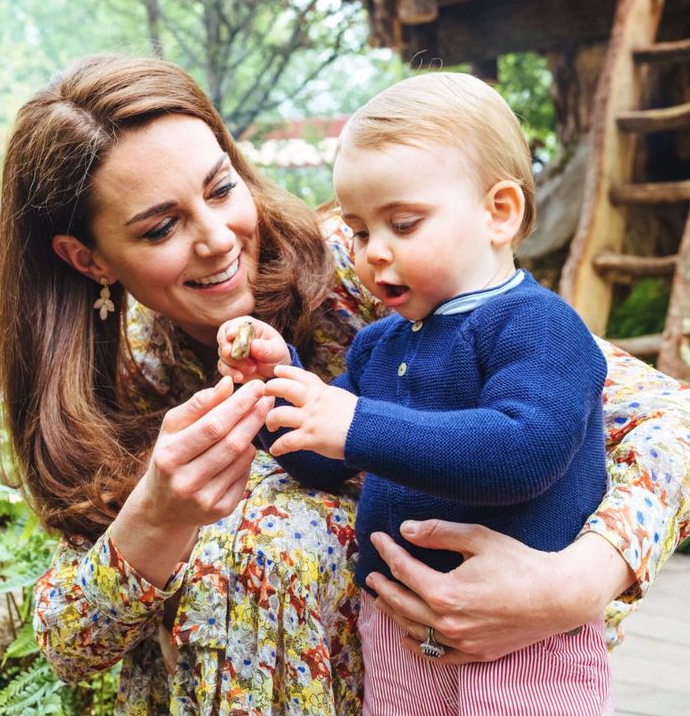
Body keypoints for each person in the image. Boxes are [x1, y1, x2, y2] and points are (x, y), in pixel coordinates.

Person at [0, 54, 690, 716]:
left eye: (221, 189)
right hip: (367, 683)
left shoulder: (380, 269)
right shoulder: (113, 387)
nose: (217, 238)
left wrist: (577, 582)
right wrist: (156, 517)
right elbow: (69, 644)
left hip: (490, 668)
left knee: (277, 531)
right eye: (160, 228)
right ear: (88, 259)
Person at [217, 73, 612, 714]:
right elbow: (321, 457)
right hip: (397, 628)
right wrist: (273, 384)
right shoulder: (380, 345)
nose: (375, 253)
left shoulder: (538, 325)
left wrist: (356, 424)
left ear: (499, 212)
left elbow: (525, 450)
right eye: (361, 231)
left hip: (524, 638)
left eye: (403, 223)